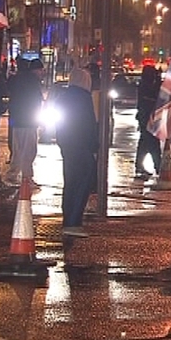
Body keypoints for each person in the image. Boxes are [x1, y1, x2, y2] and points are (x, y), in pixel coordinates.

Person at [56, 68, 98, 238]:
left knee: (70, 182)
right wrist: (94, 145)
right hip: (82, 146)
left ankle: (68, 218)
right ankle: (73, 222)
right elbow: (88, 124)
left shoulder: (63, 97)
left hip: (68, 145)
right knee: (82, 184)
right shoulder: (84, 98)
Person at [4, 59, 44, 187]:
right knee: (29, 150)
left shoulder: (17, 79)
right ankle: (26, 177)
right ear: (35, 70)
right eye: (40, 70)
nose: (42, 73)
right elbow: (36, 101)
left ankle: (12, 174)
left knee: (18, 149)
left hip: (17, 119)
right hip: (29, 120)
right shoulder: (33, 82)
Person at [134, 65, 162, 178]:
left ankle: (140, 165)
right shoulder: (145, 86)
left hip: (148, 117)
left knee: (145, 143)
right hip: (147, 118)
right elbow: (153, 95)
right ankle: (158, 166)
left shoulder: (147, 84)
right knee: (152, 143)